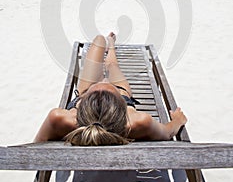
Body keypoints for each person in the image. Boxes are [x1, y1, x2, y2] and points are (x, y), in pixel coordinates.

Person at [34, 33, 187, 146]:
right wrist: (178, 121)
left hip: (97, 100)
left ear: (81, 103)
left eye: (96, 87)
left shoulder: (60, 118)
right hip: (106, 100)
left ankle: (108, 43)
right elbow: (168, 132)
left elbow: (36, 147)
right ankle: (111, 45)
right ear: (123, 105)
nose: (105, 80)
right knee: (113, 66)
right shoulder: (137, 122)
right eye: (112, 88)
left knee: (98, 40)